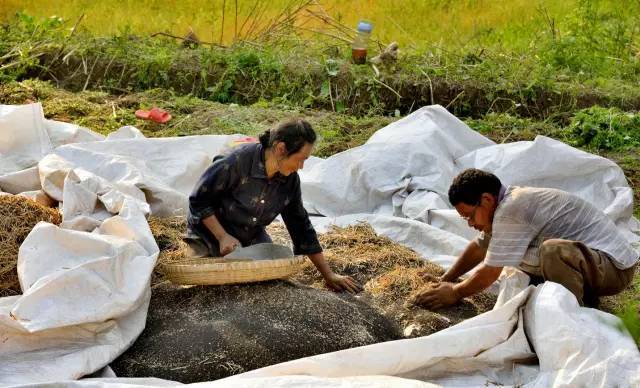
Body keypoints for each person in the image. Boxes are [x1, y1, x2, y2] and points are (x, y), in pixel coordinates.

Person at [416, 168, 638, 308]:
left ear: (486, 200)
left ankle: (574, 311)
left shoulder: (512, 208)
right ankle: (583, 296)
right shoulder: (504, 205)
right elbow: (480, 246)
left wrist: (455, 292)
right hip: (593, 262)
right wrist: (447, 278)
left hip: (614, 268)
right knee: (525, 258)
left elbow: (491, 270)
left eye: (470, 216)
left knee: (550, 251)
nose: (471, 224)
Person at [187, 118, 362, 293]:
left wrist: (329, 275)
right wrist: (222, 236)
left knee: (270, 280)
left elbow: (300, 226)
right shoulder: (234, 162)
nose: (301, 167)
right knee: (208, 282)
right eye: (300, 159)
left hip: (250, 236)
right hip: (211, 234)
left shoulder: (289, 180)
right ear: (280, 149)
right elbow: (198, 200)